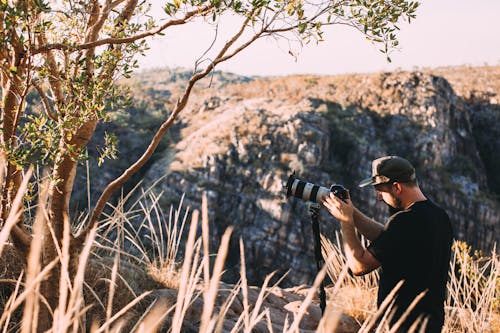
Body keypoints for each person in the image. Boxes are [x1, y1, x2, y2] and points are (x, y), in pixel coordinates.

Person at [322, 155, 453, 332]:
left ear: (396, 187)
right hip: (431, 325)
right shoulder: (439, 217)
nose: (379, 198)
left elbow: (359, 266)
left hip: (402, 326)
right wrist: (352, 212)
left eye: (380, 191)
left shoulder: (403, 221)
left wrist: (346, 221)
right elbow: (388, 238)